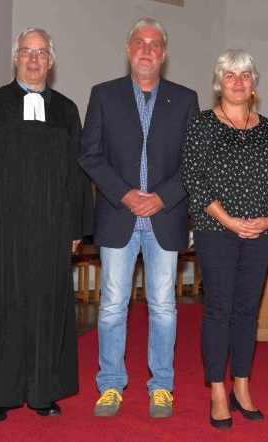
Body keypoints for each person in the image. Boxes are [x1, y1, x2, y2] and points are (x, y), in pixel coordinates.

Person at [0, 28, 93, 422]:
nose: (34, 59)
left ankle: (43, 391)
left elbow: (77, 174)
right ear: (16, 58)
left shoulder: (66, 110)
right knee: (3, 308)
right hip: (2, 228)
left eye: (41, 52)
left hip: (51, 229)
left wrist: (76, 226)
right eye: (26, 52)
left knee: (47, 306)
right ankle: (1, 394)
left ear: (51, 60)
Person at [79, 18, 199, 419]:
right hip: (118, 216)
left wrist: (163, 197)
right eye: (139, 43)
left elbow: (194, 161)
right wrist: (125, 193)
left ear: (163, 54)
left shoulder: (185, 100)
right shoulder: (104, 95)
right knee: (112, 305)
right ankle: (110, 384)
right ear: (128, 50)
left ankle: (161, 386)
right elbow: (89, 154)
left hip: (165, 219)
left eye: (154, 44)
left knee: (164, 306)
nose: (146, 50)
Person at [182, 49, 268, 429]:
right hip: (216, 232)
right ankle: (216, 390)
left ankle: (241, 386)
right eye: (230, 75)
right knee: (218, 309)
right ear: (219, 82)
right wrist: (230, 221)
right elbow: (194, 182)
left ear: (254, 83)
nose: (239, 81)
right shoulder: (202, 125)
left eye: (245, 74)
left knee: (247, 311)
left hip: (259, 235)